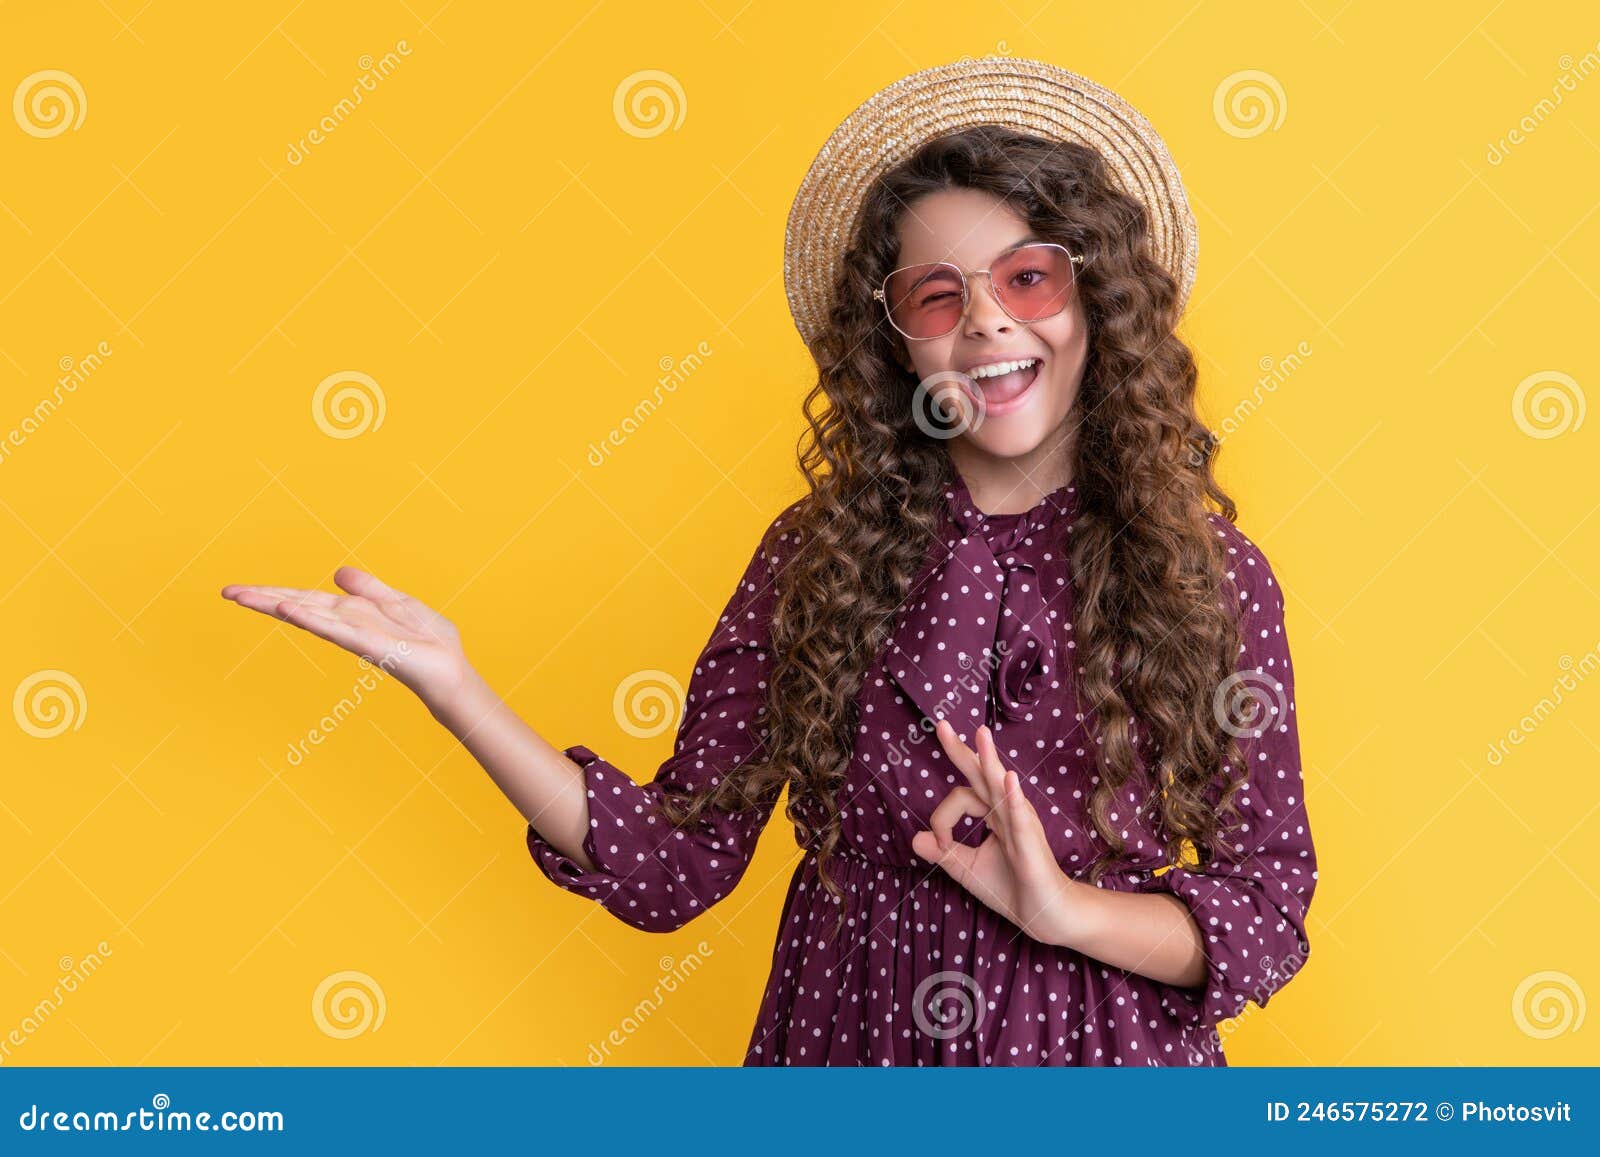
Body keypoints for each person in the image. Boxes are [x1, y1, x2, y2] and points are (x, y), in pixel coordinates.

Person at [221, 57, 1316, 1066]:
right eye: (938, 295)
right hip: (849, 1046)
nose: (985, 324)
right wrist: (455, 687)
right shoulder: (817, 557)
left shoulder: (1204, 576)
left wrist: (1064, 911)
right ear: (896, 341)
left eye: (1027, 279)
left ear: (1098, 302)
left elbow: (1265, 916)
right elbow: (672, 864)